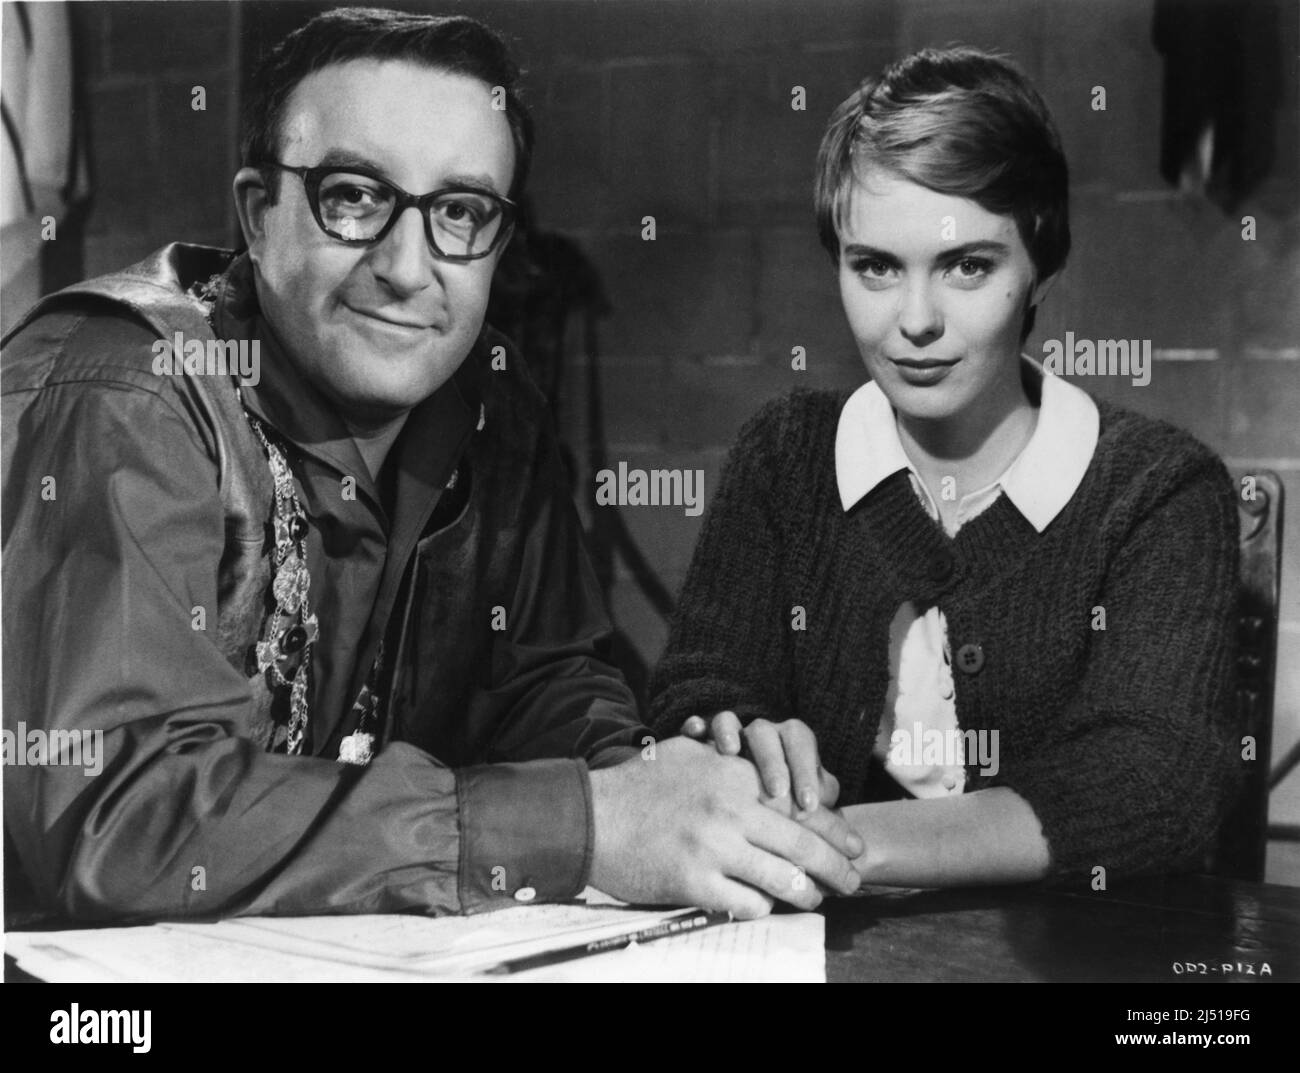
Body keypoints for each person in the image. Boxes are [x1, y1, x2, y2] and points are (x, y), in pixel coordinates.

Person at [1, 7, 862, 926]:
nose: (408, 268)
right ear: (259, 214)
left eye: (460, 211)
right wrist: (580, 825)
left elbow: (539, 682)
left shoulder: (491, 399)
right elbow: (115, 820)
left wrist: (671, 784)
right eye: (354, 196)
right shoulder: (134, 389)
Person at [650, 47, 1240, 888]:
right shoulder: (784, 456)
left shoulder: (1158, 491)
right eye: (876, 267)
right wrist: (741, 741)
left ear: (1043, 260)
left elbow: (1151, 780)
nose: (915, 320)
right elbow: (697, 687)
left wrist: (837, 840)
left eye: (967, 265)